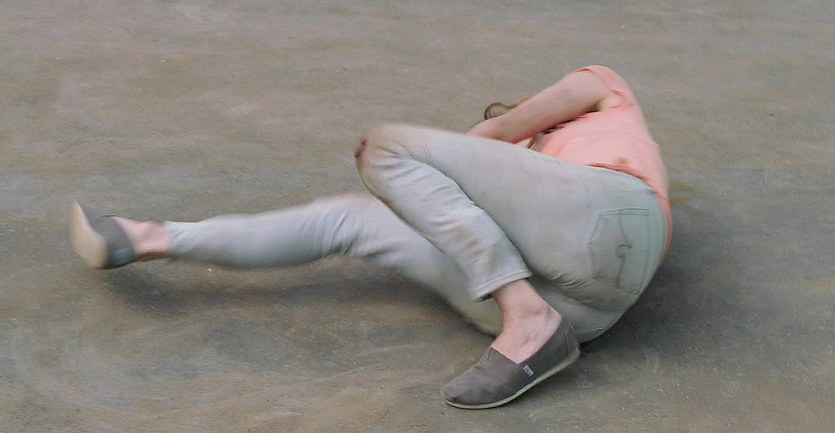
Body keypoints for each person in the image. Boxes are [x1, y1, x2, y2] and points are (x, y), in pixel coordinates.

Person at [70, 65, 670, 410]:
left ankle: (527, 318)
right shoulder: (532, 191)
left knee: (385, 148)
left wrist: (486, 140)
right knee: (349, 219)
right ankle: (144, 238)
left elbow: (499, 131)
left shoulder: (604, 91)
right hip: (587, 313)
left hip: (614, 210)